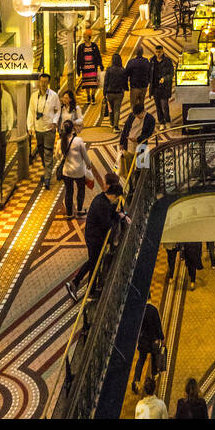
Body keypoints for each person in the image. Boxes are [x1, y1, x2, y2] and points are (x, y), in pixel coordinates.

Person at [65, 171, 126, 301]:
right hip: (94, 238)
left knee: (93, 261)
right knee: (94, 263)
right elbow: (107, 224)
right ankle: (88, 291)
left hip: (95, 236)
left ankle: (76, 284)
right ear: (112, 195)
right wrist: (117, 219)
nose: (117, 201)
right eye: (116, 198)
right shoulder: (102, 204)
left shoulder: (104, 200)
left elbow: (111, 215)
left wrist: (119, 216)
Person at [27, 73, 61, 189]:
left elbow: (58, 110)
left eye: (45, 82)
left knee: (48, 153)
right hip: (38, 129)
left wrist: (54, 122)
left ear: (48, 83)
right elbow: (31, 112)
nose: (43, 84)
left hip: (49, 129)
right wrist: (30, 127)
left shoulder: (53, 96)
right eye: (41, 81)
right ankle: (47, 169)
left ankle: (47, 177)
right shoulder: (33, 96)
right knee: (41, 152)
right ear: (38, 82)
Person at [58, 119, 91, 219]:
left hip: (66, 171)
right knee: (81, 190)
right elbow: (85, 155)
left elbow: (57, 156)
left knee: (69, 192)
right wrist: (89, 164)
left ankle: (69, 214)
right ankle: (80, 210)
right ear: (72, 129)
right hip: (79, 171)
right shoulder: (78, 141)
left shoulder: (60, 142)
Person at [132, 301, 164, 393]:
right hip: (153, 339)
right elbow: (158, 325)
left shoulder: (138, 311)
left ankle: (136, 380)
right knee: (154, 357)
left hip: (143, 341)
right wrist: (161, 338)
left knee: (141, 360)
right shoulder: (153, 309)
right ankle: (154, 374)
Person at [119, 99, 155, 178]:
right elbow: (125, 129)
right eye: (135, 115)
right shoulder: (131, 115)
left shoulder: (150, 119)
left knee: (140, 167)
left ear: (143, 112)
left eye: (138, 115)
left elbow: (149, 134)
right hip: (128, 145)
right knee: (128, 168)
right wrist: (121, 142)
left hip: (140, 146)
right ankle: (130, 183)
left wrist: (138, 139)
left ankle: (138, 183)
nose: (136, 116)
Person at [147, 40, 174, 125]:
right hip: (155, 88)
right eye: (156, 52)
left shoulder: (167, 61)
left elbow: (171, 73)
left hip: (164, 88)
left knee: (165, 106)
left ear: (163, 52)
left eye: (159, 52)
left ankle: (168, 120)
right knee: (158, 106)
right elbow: (149, 73)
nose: (158, 53)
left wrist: (165, 79)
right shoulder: (152, 61)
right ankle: (161, 122)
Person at [103, 51, 127, 132]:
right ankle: (116, 127)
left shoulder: (109, 69)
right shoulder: (122, 70)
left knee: (111, 109)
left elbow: (106, 82)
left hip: (109, 93)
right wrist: (125, 88)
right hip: (119, 93)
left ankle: (111, 123)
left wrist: (104, 93)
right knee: (117, 109)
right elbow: (125, 81)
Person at [124, 43, 151, 110]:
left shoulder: (131, 62)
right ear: (142, 52)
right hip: (144, 86)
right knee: (141, 103)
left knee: (133, 104)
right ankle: (141, 117)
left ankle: (133, 118)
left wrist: (126, 85)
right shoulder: (146, 61)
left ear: (136, 52)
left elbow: (126, 73)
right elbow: (150, 72)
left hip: (134, 86)